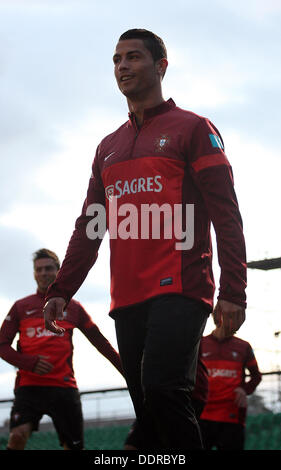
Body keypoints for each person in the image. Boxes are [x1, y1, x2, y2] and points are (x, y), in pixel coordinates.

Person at [43, 29, 247, 449]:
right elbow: (90, 227)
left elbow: (226, 213)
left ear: (161, 66)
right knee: (148, 409)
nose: (122, 67)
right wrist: (62, 289)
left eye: (133, 58)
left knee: (163, 389)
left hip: (182, 288)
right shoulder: (107, 148)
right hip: (126, 297)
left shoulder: (193, 128)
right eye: (117, 60)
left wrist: (235, 290)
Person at [0, 248, 123, 450]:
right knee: (17, 436)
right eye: (38, 269)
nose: (43, 273)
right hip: (29, 387)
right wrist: (29, 363)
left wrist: (128, 372)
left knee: (74, 446)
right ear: (33, 273)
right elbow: (2, 345)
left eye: (48, 268)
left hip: (64, 387)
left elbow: (101, 343)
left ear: (58, 272)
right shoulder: (20, 307)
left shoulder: (73, 308)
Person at [199, 324, 262, 450]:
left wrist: (244, 389)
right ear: (217, 316)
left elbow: (256, 376)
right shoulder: (200, 343)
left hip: (232, 416)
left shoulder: (244, 346)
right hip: (201, 415)